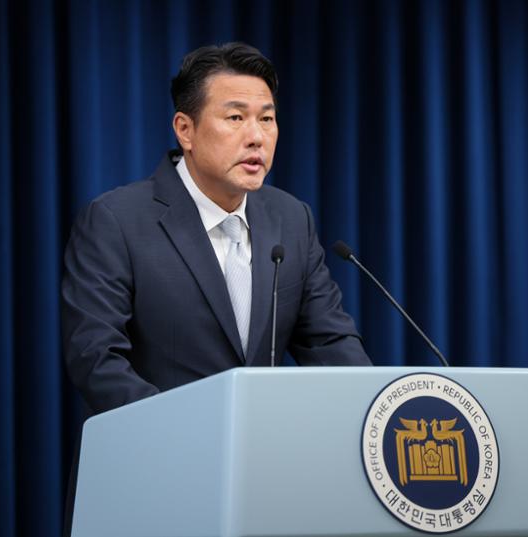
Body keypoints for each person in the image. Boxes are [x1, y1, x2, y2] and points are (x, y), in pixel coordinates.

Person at [61, 42, 371, 535]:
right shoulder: (117, 220)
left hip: (265, 496)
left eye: (267, 120)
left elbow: (331, 344)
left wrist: (373, 413)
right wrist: (194, 438)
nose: (256, 137)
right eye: (235, 118)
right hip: (148, 488)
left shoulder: (290, 219)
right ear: (185, 130)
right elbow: (95, 358)